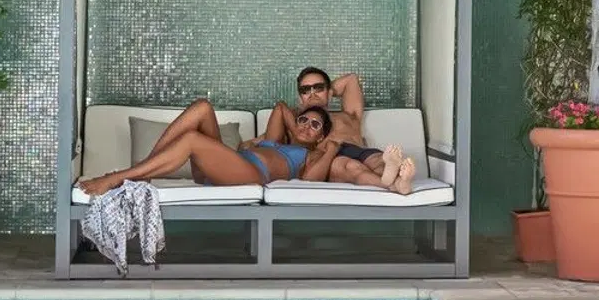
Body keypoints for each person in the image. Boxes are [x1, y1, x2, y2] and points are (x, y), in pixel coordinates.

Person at [76, 97, 411, 197]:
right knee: (202, 108)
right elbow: (281, 108)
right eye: (304, 120)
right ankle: (147, 171)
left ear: (321, 136)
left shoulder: (315, 153)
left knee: (193, 140)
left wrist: (330, 147)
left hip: (251, 174)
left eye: (315, 125)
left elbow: (311, 181)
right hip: (229, 164)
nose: (308, 126)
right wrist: (289, 126)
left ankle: (122, 177)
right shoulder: (271, 138)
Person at [263, 68, 414, 188]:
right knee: (353, 168)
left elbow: (351, 80)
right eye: (305, 90)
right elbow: (268, 143)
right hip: (331, 158)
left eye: (318, 88)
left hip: (359, 150)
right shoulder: (297, 122)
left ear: (329, 93)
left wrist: (325, 93)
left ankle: (397, 181)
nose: (312, 94)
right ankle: (395, 184)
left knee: (380, 161)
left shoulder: (348, 115)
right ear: (300, 98)